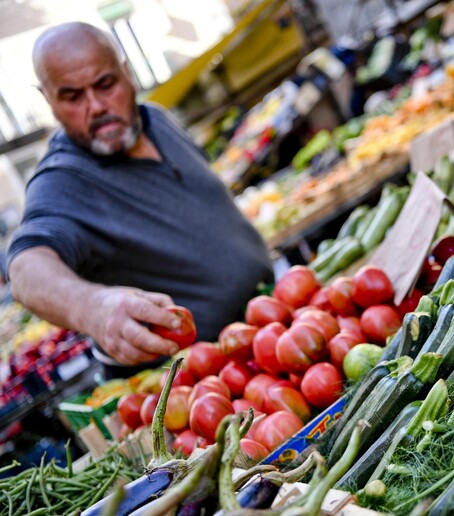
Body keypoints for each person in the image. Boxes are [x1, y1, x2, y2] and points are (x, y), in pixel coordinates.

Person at [5, 22, 274, 374]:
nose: (97, 106)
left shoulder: (157, 120)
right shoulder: (63, 180)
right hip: (199, 385)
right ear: (48, 101)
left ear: (127, 73)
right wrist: (95, 307)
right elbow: (26, 269)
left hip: (268, 332)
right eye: (72, 96)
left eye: (105, 84)